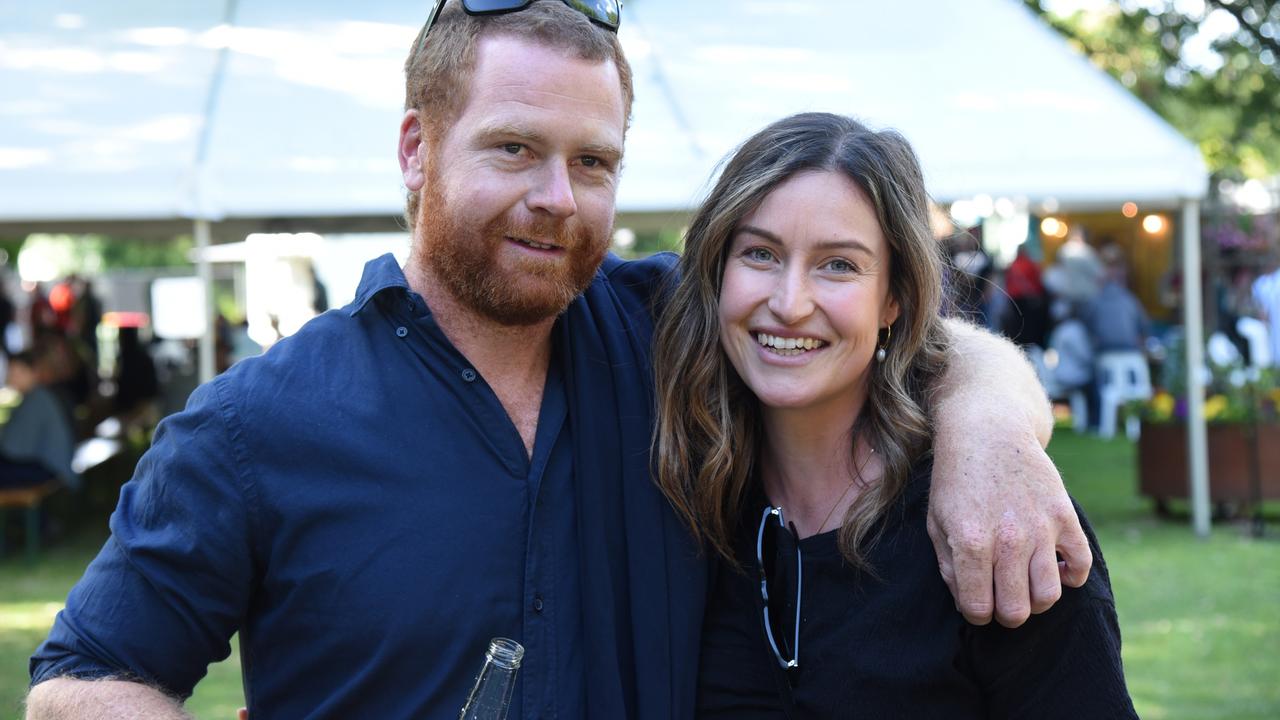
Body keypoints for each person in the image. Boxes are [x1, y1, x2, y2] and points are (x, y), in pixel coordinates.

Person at [26, 2, 1090, 718]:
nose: (556, 198)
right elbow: (79, 682)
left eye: (592, 162)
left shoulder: (662, 330)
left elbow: (876, 333)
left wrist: (989, 428)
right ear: (414, 150)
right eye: (513, 149)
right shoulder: (252, 427)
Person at [652, 112, 1135, 717]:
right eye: (760, 253)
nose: (788, 303)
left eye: (839, 264)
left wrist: (989, 416)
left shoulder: (994, 518)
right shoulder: (686, 505)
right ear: (716, 271)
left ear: (895, 300)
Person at [0, 350, 78, 491]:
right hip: (49, 467)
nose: (10, 378)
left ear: (32, 373)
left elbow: (12, 449)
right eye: (10, 372)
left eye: (16, 372)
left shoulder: (37, 399)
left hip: (50, 469)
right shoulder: (38, 396)